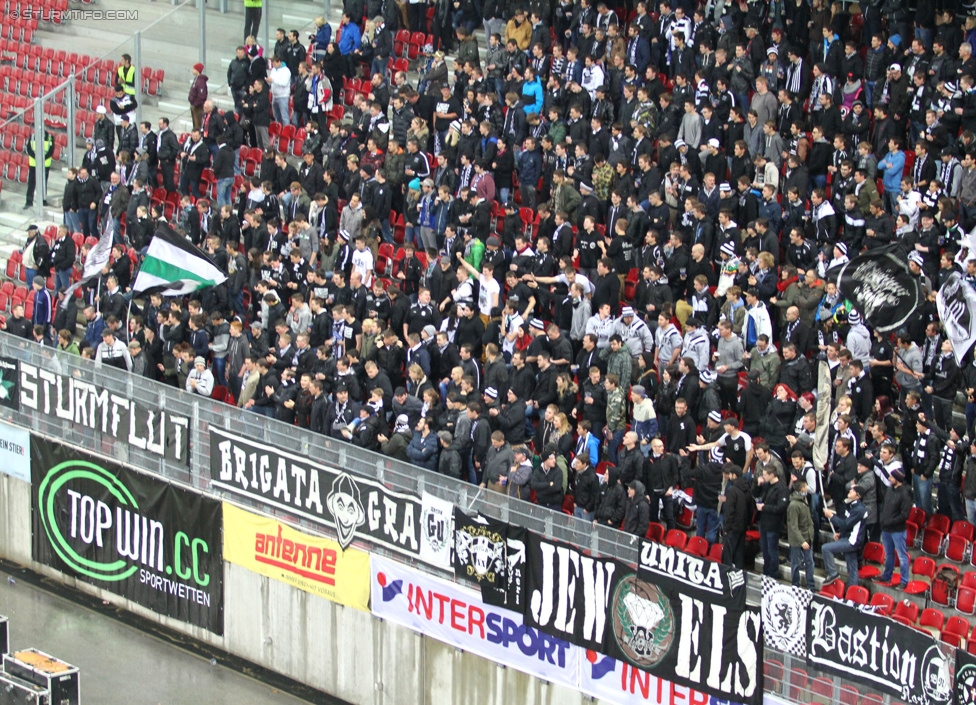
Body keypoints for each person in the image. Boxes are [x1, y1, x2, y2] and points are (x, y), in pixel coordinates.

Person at [822, 484, 869, 587]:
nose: (849, 491)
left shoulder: (859, 510)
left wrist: (831, 516)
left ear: (858, 495)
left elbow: (845, 524)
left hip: (852, 541)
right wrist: (840, 533)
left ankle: (833, 573)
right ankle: (853, 589)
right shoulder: (852, 506)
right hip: (849, 538)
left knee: (826, 548)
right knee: (852, 567)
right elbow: (849, 525)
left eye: (852, 491)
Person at [875, 467, 912, 590]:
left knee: (902, 556)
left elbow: (904, 514)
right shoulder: (890, 490)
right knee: (889, 554)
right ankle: (887, 575)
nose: (889, 479)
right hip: (886, 529)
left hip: (898, 530)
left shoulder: (905, 494)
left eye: (891, 477)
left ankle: (904, 580)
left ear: (898, 479)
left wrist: (891, 521)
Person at [754, 464, 789, 578]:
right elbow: (755, 494)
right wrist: (758, 485)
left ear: (772, 475)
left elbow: (781, 507)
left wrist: (765, 507)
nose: (763, 477)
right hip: (763, 521)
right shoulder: (766, 485)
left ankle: (773, 574)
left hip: (773, 524)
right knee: (764, 549)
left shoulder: (782, 488)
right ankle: (766, 572)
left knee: (772, 550)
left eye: (765, 475)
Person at [722, 464, 754, 569]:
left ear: (734, 475)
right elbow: (751, 509)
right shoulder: (747, 489)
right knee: (739, 553)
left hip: (732, 527)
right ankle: (739, 574)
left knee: (728, 553)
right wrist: (747, 523)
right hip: (743, 526)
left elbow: (729, 511)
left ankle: (726, 576)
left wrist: (726, 527)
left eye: (730, 474)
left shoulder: (732, 490)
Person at [24, 129, 54, 209]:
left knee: (43, 184)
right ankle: (29, 201)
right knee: (31, 184)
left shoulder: (50, 137)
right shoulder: (33, 136)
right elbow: (29, 149)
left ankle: (43, 200)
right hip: (34, 164)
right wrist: (37, 157)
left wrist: (42, 158)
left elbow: (51, 150)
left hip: (45, 164)